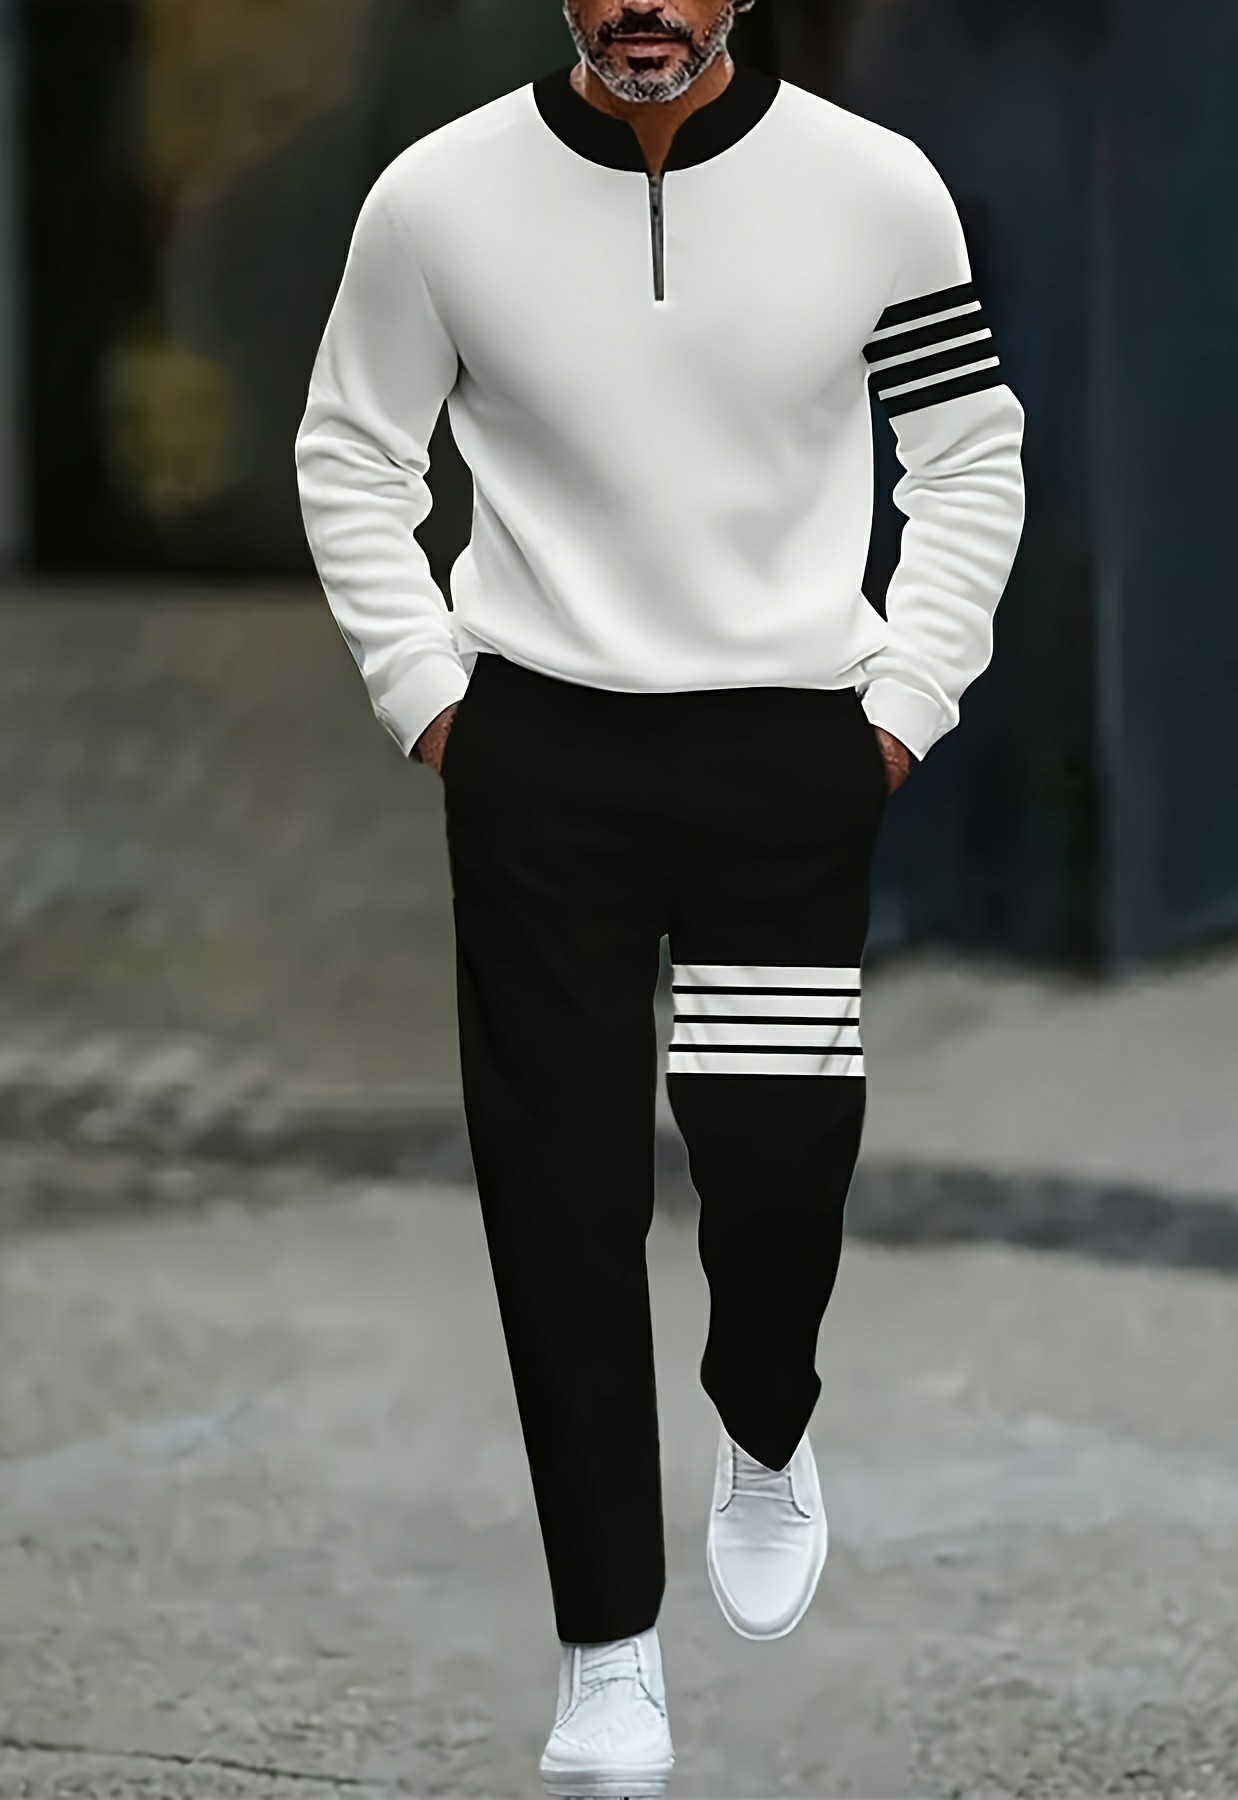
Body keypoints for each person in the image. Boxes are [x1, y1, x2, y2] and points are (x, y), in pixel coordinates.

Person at [294, 1, 1025, 1791]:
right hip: (538, 756)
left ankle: (763, 1422)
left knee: (773, 1173)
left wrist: (902, 705)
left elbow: (965, 459)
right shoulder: (435, 197)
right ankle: (605, 1646)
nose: (645, 2)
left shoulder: (876, 188)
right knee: (557, 1201)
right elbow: (352, 455)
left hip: (787, 757)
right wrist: (430, 699)